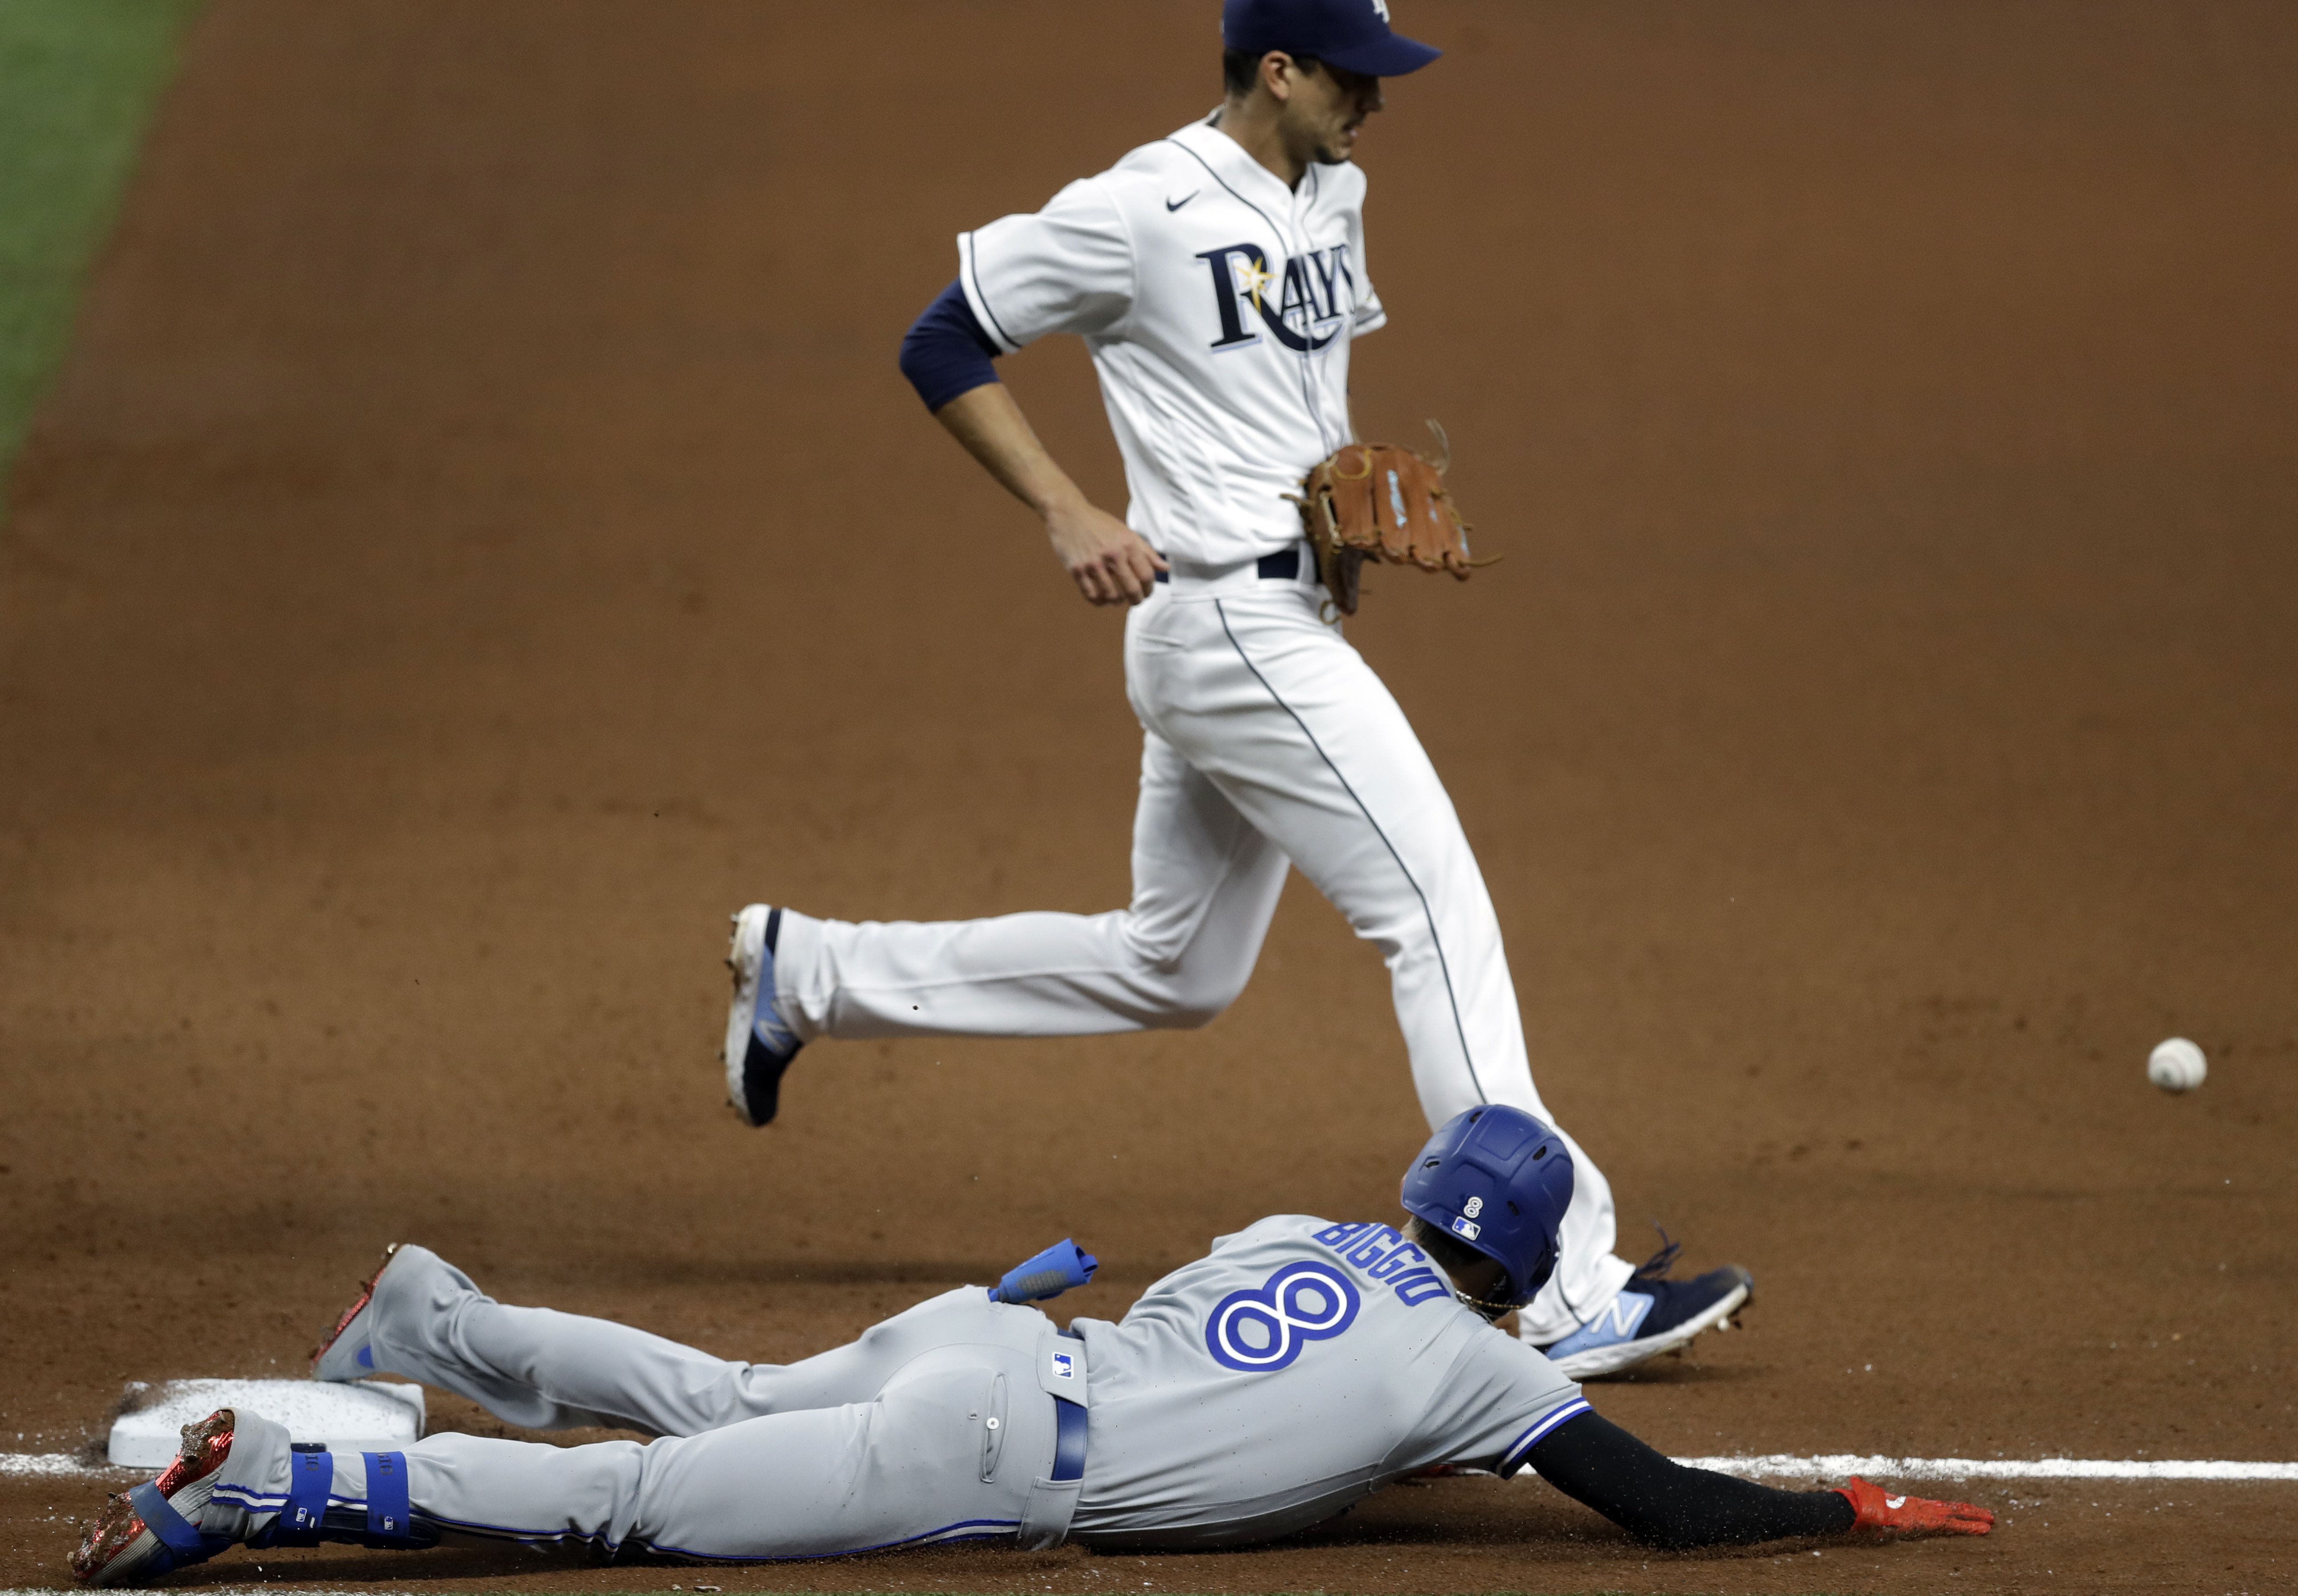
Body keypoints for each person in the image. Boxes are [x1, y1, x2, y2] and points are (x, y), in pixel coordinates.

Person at [719, 0, 1749, 1380]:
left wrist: (1329, 512)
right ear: (1278, 68)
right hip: (1225, 626)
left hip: (1276, 615)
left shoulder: (1336, 191)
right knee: (1434, 913)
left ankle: (814, 971)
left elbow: (1287, 386)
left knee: (1177, 963)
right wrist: (1070, 508)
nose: (1375, 103)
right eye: (1352, 76)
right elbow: (943, 340)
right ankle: (1563, 1287)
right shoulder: (1135, 208)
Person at [72, 1107, 1990, 1584]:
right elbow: (1654, 1510)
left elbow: (1282, 1392)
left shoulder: (1302, 1232)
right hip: (981, 1462)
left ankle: (438, 1316)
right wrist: (1833, 1506)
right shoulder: (1487, 1377)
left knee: (723, 1400)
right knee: (625, 1509)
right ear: (1525, 1268)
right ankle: (254, 1472)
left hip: (989, 1341)